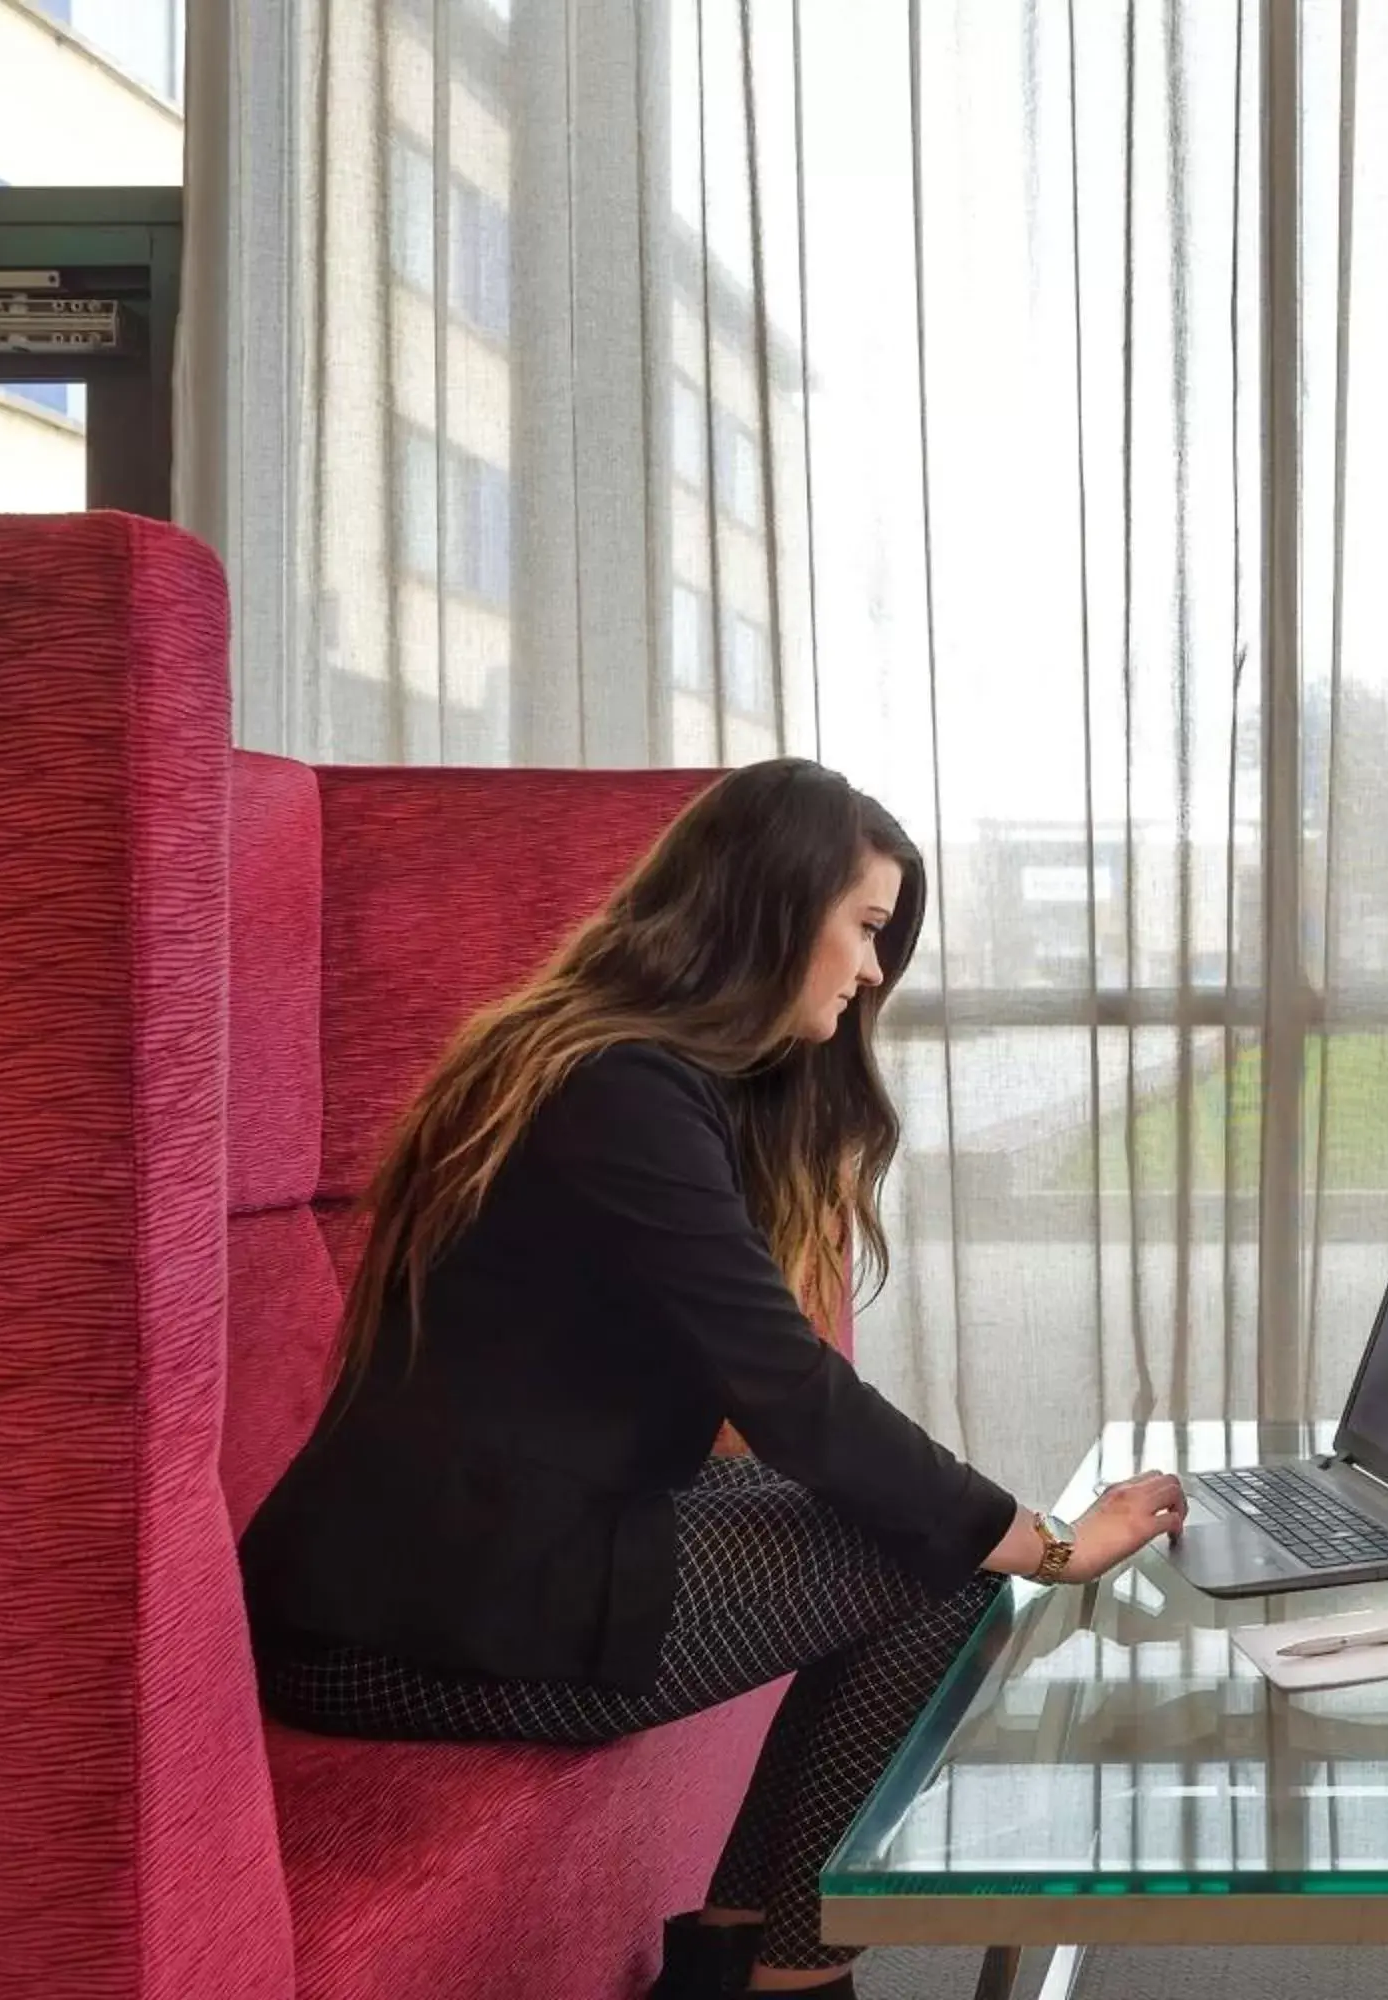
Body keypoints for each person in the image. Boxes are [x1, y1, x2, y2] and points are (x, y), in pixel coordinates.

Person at [239, 759, 1186, 1998]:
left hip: (441, 1567)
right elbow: (790, 1388)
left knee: (918, 1558)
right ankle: (786, 1978)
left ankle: (744, 1961)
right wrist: (1051, 1539)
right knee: (950, 1568)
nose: (872, 974)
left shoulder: (610, 1065)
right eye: (864, 927)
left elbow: (736, 1394)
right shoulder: (618, 1088)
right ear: (769, 906)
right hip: (414, 1616)